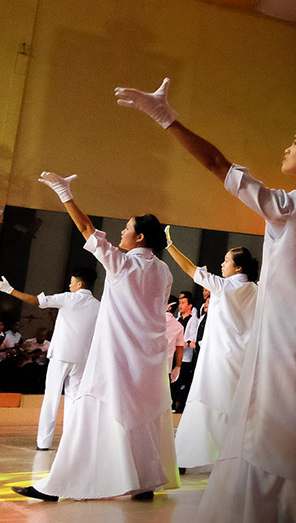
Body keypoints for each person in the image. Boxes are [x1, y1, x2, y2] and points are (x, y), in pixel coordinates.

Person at [115, 78, 296, 521]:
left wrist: (167, 118)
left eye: (295, 142)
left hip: (286, 344)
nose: (286, 148)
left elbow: (218, 164)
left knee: (276, 435)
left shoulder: (291, 206)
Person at [15, 174, 177, 501]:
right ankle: (143, 482)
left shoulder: (123, 264)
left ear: (140, 236)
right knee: (142, 417)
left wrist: (65, 194)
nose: (121, 232)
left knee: (91, 416)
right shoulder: (164, 271)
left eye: (127, 227)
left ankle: (59, 485)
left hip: (116, 355)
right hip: (148, 358)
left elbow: (88, 230)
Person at [165, 234, 259, 470]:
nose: (221, 265)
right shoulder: (256, 290)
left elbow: (189, 268)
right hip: (244, 357)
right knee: (235, 406)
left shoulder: (223, 286)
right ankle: (236, 455)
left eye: (226, 261)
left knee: (205, 400)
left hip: (218, 356)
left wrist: (170, 245)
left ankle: (188, 457)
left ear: (238, 267)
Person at [0, 267, 99, 451]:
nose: (69, 284)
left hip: (61, 355)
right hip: (82, 358)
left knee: (51, 398)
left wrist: (10, 290)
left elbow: (35, 300)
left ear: (79, 283)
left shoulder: (69, 298)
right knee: (74, 399)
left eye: (71, 281)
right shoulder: (97, 305)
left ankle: (43, 443)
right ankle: (72, 442)